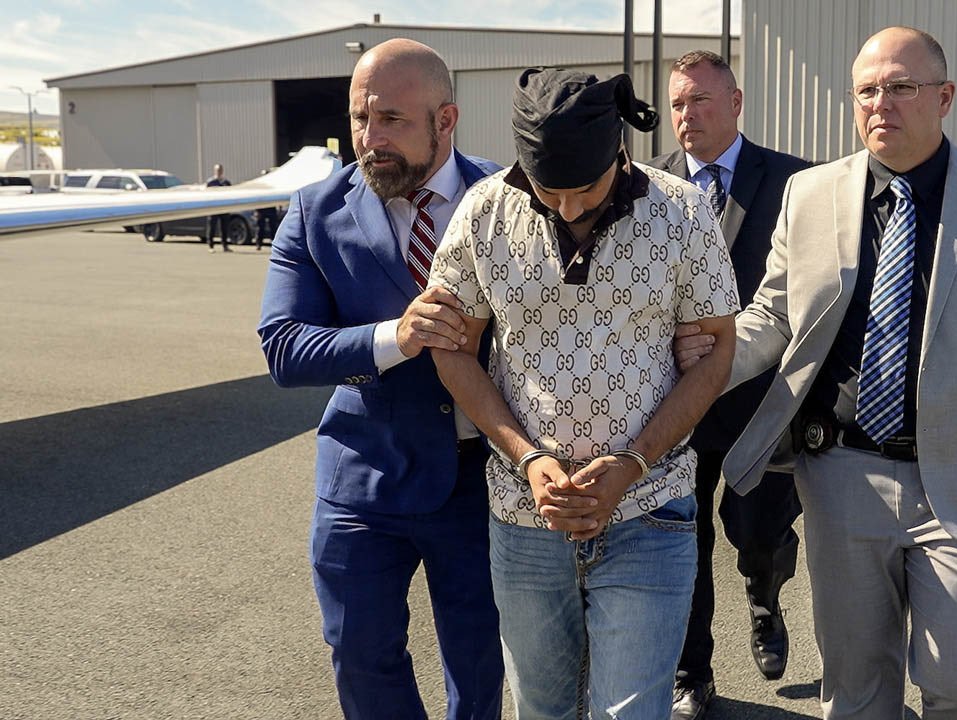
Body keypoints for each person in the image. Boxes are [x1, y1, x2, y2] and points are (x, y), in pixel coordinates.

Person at [680, 26, 957, 719]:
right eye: (868, 91)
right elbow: (773, 318)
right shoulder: (810, 195)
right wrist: (693, 362)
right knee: (856, 690)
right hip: (843, 476)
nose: (883, 104)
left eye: (902, 87)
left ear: (945, 97)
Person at [428, 68, 739, 719]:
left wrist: (633, 463)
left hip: (650, 510)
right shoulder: (484, 210)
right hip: (524, 515)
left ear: (619, 152)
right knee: (544, 709)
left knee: (631, 713)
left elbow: (716, 357)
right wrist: (528, 459)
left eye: (586, 191)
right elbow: (454, 350)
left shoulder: (682, 211)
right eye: (549, 191)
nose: (567, 208)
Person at [257, 38, 504, 720]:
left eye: (392, 119)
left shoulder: (510, 201)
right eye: (361, 119)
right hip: (363, 483)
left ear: (446, 120)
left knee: (480, 666)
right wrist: (396, 337)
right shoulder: (315, 212)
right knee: (362, 659)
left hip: (480, 483)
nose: (371, 139)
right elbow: (284, 346)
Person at [645, 50, 808, 720]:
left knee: (758, 535)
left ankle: (765, 594)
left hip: (759, 404)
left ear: (736, 104)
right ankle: (693, 674)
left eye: (701, 102)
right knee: (683, 543)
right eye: (678, 103)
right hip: (674, 409)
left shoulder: (794, 183)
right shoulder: (645, 185)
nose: (687, 116)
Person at [205, 164, 233, 252]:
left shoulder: (226, 182)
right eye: (217, 170)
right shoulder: (210, 182)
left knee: (224, 227)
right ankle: (211, 246)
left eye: (220, 170)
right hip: (214, 207)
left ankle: (225, 245)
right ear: (214, 171)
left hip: (224, 208)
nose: (219, 172)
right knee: (212, 227)